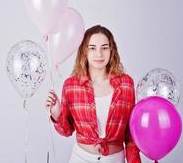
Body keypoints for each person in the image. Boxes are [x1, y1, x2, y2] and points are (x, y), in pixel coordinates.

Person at [45, 25, 141, 163]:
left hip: (114, 159)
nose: (99, 54)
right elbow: (66, 131)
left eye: (104, 47)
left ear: (111, 50)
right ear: (84, 51)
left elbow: (131, 134)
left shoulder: (126, 84)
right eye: (92, 48)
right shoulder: (71, 85)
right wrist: (56, 113)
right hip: (80, 158)